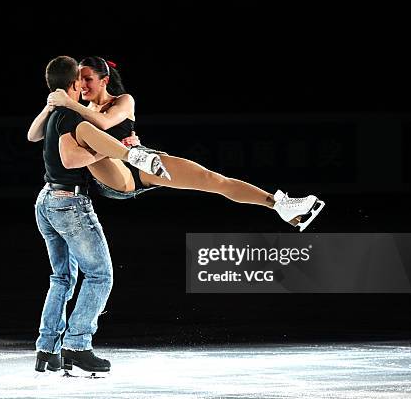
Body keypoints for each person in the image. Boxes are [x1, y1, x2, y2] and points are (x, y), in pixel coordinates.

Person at [37, 56, 325, 231]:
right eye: (79, 81)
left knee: (214, 180)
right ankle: (128, 155)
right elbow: (59, 132)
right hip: (114, 176)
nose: (82, 85)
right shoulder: (77, 112)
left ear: (104, 79)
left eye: (87, 79)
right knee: (93, 140)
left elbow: (104, 123)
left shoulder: (124, 102)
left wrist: (69, 105)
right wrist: (58, 104)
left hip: (143, 160)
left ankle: (281, 206)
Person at [31, 56, 122, 376]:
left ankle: (47, 350)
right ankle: (77, 345)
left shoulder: (58, 110)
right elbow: (71, 160)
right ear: (72, 84)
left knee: (62, 277)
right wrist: (113, 150)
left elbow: (32, 136)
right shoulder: (69, 113)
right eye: (80, 80)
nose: (84, 85)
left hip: (46, 201)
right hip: (69, 205)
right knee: (100, 275)